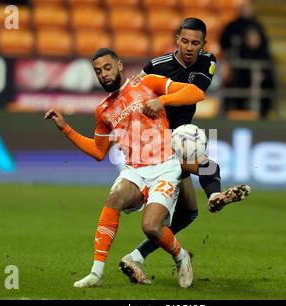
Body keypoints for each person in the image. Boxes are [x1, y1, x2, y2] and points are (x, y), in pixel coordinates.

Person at [44, 48, 206, 288]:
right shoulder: (104, 109)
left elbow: (195, 92)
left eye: (107, 68)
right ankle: (96, 274)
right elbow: (99, 151)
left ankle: (182, 258)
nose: (103, 75)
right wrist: (65, 128)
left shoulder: (147, 83)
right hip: (134, 170)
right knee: (114, 198)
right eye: (98, 72)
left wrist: (161, 100)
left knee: (151, 227)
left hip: (165, 167)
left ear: (119, 65)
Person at [119, 18, 251, 284]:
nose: (190, 47)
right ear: (177, 39)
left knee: (188, 212)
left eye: (196, 43)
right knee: (208, 168)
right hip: (156, 142)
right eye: (185, 41)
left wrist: (162, 100)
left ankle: (137, 256)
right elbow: (132, 97)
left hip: (180, 139)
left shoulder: (207, 62)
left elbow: (196, 93)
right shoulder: (156, 66)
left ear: (204, 44)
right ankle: (213, 195)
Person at [219, 4, 275, 118]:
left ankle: (262, 114)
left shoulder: (263, 53)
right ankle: (231, 112)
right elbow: (223, 43)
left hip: (257, 81)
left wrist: (263, 74)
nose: (254, 40)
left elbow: (267, 65)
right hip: (240, 75)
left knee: (267, 84)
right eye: (251, 37)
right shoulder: (232, 27)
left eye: (256, 37)